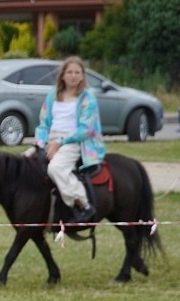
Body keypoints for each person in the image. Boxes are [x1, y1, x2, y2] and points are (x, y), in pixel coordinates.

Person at [35, 56, 104, 223]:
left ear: (82, 76)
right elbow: (43, 123)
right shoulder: (53, 95)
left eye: (77, 72)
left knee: (55, 169)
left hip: (74, 141)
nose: (73, 75)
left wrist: (60, 142)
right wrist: (40, 143)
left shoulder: (88, 98)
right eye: (70, 72)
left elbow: (85, 129)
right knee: (25, 163)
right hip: (51, 139)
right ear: (63, 75)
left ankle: (83, 204)